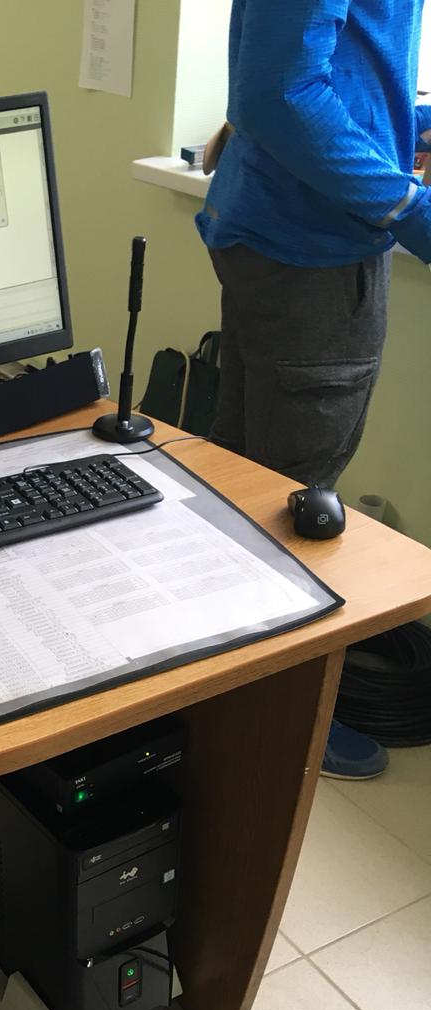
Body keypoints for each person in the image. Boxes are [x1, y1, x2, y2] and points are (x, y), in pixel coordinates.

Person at [198, 0, 431, 780]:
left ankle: (218, 688)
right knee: (297, 501)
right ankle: (280, 719)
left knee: (247, 481)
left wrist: (409, 121)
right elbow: (281, 92)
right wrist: (409, 205)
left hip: (273, 227)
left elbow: (324, 63)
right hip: (314, 251)